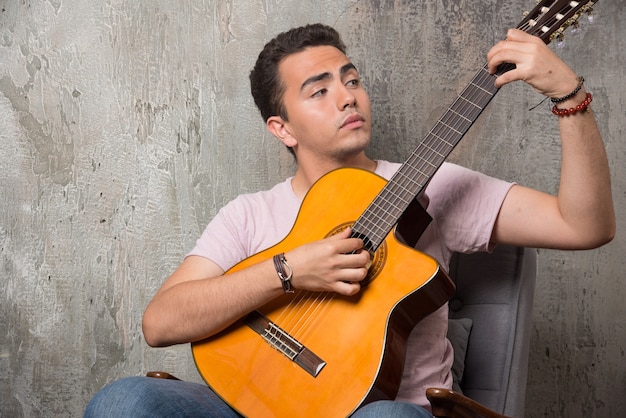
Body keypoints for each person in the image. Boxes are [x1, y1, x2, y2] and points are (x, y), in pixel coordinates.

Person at [85, 23, 615, 417]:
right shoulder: (249, 213)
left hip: (376, 410)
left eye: (351, 79)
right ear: (282, 128)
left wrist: (568, 97)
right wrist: (287, 270)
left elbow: (584, 226)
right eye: (318, 91)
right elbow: (160, 323)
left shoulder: (435, 184)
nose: (346, 96)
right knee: (126, 400)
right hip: (245, 407)